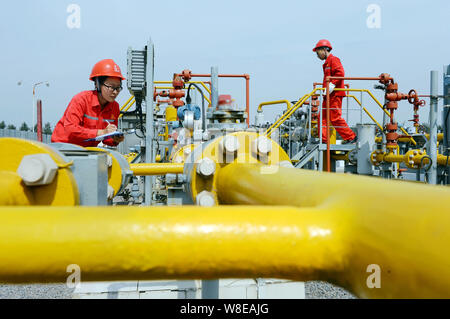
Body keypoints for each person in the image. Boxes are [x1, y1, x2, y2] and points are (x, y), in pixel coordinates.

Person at [51, 59, 126, 147]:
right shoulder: (81, 100)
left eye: (118, 88)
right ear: (97, 84)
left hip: (87, 150)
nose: (115, 92)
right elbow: (71, 129)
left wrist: (115, 139)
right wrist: (102, 132)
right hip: (63, 147)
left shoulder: (114, 107)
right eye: (111, 87)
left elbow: (106, 140)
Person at [313, 39, 357, 144]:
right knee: (322, 118)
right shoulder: (326, 63)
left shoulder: (334, 60)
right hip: (328, 95)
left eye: (318, 52)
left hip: (335, 94)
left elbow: (340, 73)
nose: (317, 55)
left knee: (335, 117)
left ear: (324, 50)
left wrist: (332, 83)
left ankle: (351, 137)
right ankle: (324, 141)